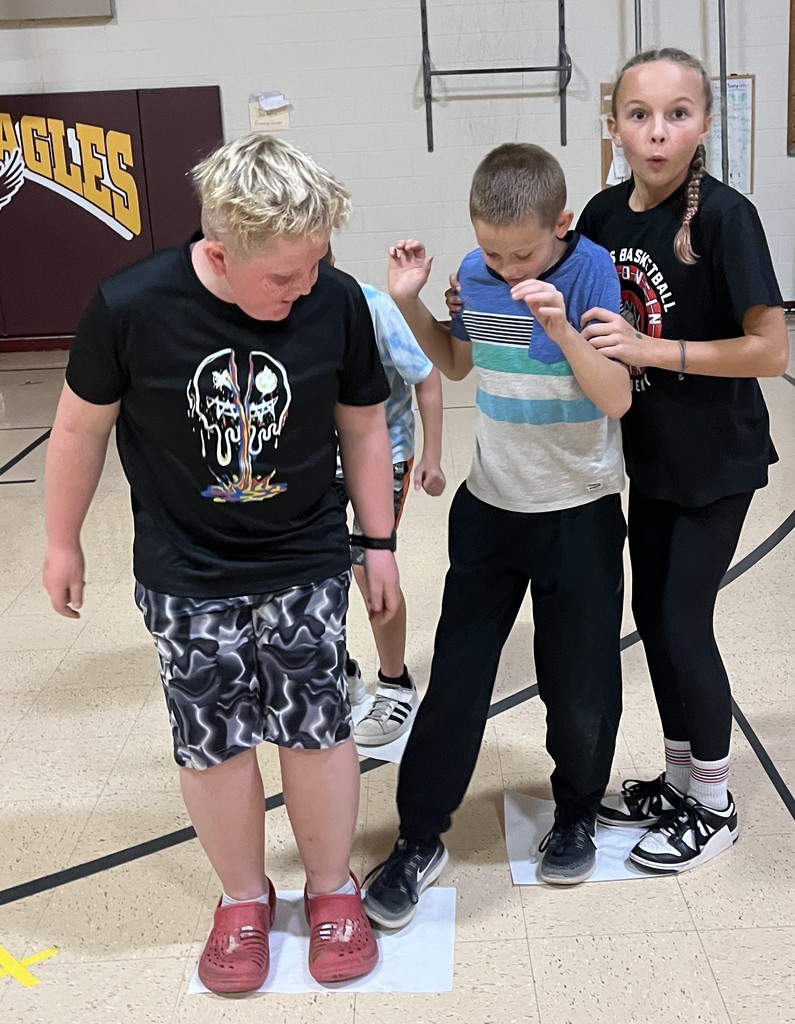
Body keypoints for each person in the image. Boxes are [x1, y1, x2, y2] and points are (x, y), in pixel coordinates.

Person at [42, 134, 401, 993]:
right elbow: (79, 429)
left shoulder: (339, 302)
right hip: (185, 570)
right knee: (210, 743)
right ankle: (242, 898)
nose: (303, 287)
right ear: (216, 252)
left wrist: (379, 545)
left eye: (314, 265)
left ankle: (331, 889)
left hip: (305, 557)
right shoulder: (130, 306)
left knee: (317, 729)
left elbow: (361, 426)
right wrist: (62, 539)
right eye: (282, 277)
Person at [362, 142, 631, 927]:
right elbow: (452, 363)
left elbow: (615, 398)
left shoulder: (591, 272)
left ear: (562, 224)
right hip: (490, 506)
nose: (508, 269)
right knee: (456, 681)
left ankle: (576, 811)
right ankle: (418, 838)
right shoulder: (479, 277)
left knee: (578, 683)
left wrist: (563, 326)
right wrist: (413, 302)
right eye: (491, 251)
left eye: (523, 253)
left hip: (577, 508)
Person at [576, 48, 788, 872]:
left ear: (703, 124)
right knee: (653, 620)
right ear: (614, 125)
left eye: (675, 114)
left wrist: (651, 351)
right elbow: (573, 301)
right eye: (638, 114)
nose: (656, 131)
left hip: (716, 459)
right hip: (649, 456)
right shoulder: (600, 214)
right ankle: (675, 780)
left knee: (679, 621)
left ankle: (715, 802)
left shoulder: (724, 218)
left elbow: (769, 351)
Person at [324, 245, 447, 746]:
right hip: (318, 462)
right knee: (315, 570)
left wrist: (433, 457)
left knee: (366, 565)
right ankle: (340, 671)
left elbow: (428, 376)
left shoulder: (372, 307)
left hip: (384, 454)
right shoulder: (280, 312)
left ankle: (395, 683)